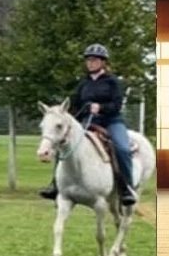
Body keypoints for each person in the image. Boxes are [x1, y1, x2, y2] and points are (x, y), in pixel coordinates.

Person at [38, 44, 137, 206]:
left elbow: (117, 105)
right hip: (87, 122)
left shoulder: (112, 82)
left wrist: (101, 107)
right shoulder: (83, 83)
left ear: (103, 62)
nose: (90, 63)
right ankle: (55, 185)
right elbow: (75, 105)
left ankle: (126, 188)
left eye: (94, 60)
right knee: (64, 144)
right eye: (88, 60)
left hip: (111, 121)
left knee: (122, 148)